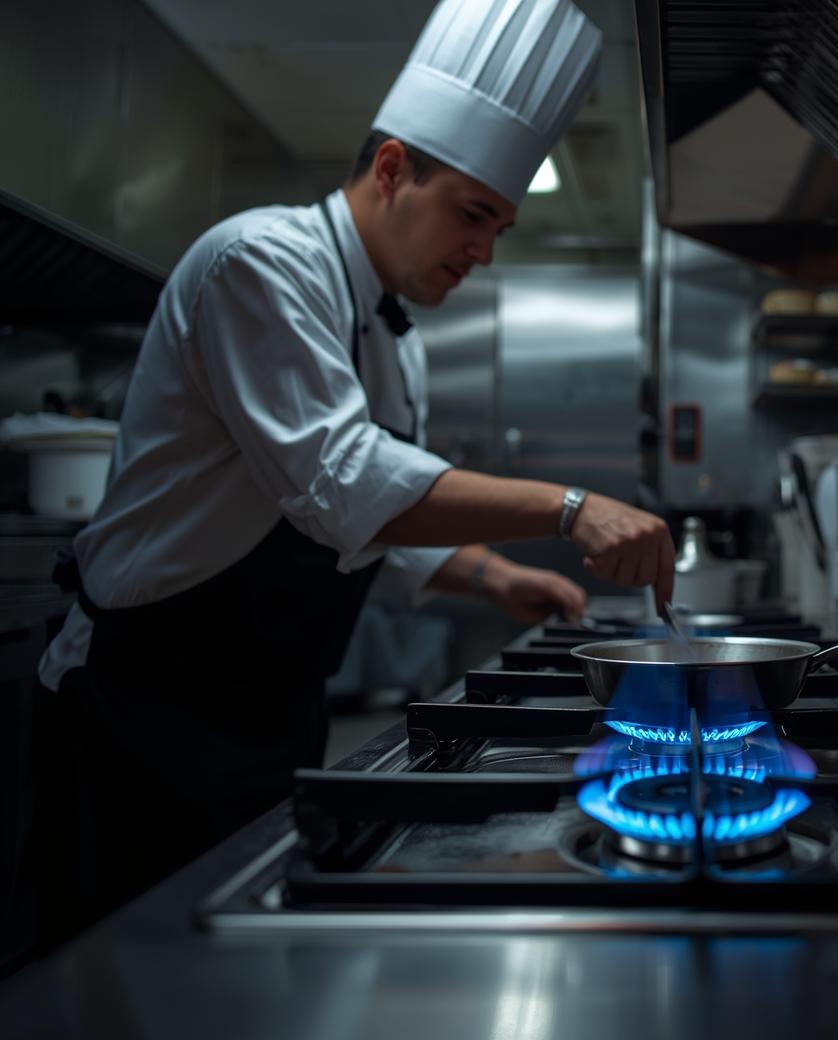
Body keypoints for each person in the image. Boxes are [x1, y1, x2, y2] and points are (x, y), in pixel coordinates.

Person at [30, 0, 671, 940]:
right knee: (110, 982)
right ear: (391, 168)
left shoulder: (391, 336)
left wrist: (497, 576)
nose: (484, 252)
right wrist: (570, 509)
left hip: (266, 710)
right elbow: (342, 481)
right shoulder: (258, 264)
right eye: (473, 214)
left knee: (224, 974)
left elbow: (369, 528)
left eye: (500, 227)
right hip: (145, 708)